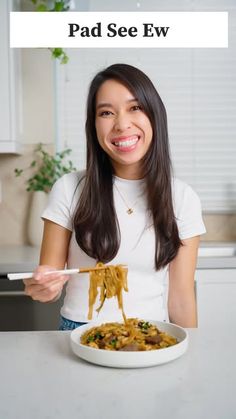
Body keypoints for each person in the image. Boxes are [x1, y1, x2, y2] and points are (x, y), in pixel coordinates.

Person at [24, 63, 206, 330]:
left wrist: (191, 356)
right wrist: (44, 287)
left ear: (154, 115)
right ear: (94, 125)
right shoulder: (69, 188)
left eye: (135, 108)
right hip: (79, 331)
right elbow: (50, 279)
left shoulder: (182, 197)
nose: (122, 124)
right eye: (106, 112)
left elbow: (180, 299)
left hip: (153, 333)